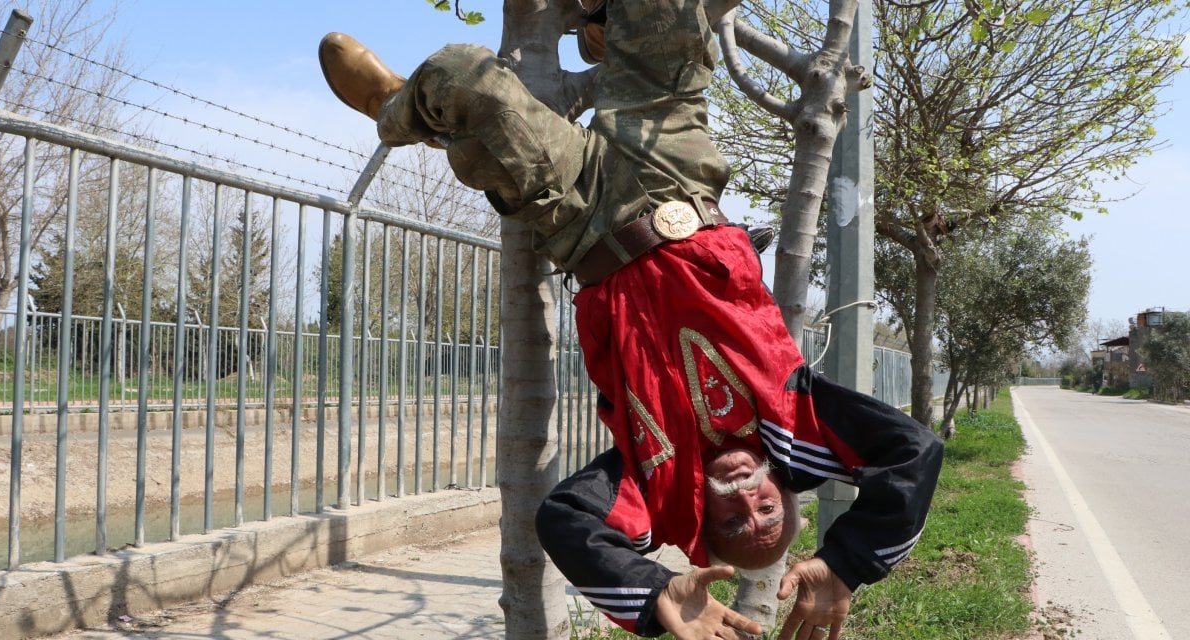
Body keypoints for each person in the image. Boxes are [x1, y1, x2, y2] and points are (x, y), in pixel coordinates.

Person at [318, 1, 943, 638]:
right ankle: (604, 24)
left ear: (703, 518)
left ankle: (397, 108)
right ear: (785, 490)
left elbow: (565, 519)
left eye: (732, 522)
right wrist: (845, 565)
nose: (744, 501)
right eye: (766, 511)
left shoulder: (653, 491)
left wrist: (652, 597)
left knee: (465, 78)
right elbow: (914, 454)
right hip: (677, 173)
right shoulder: (802, 430)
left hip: (582, 214)